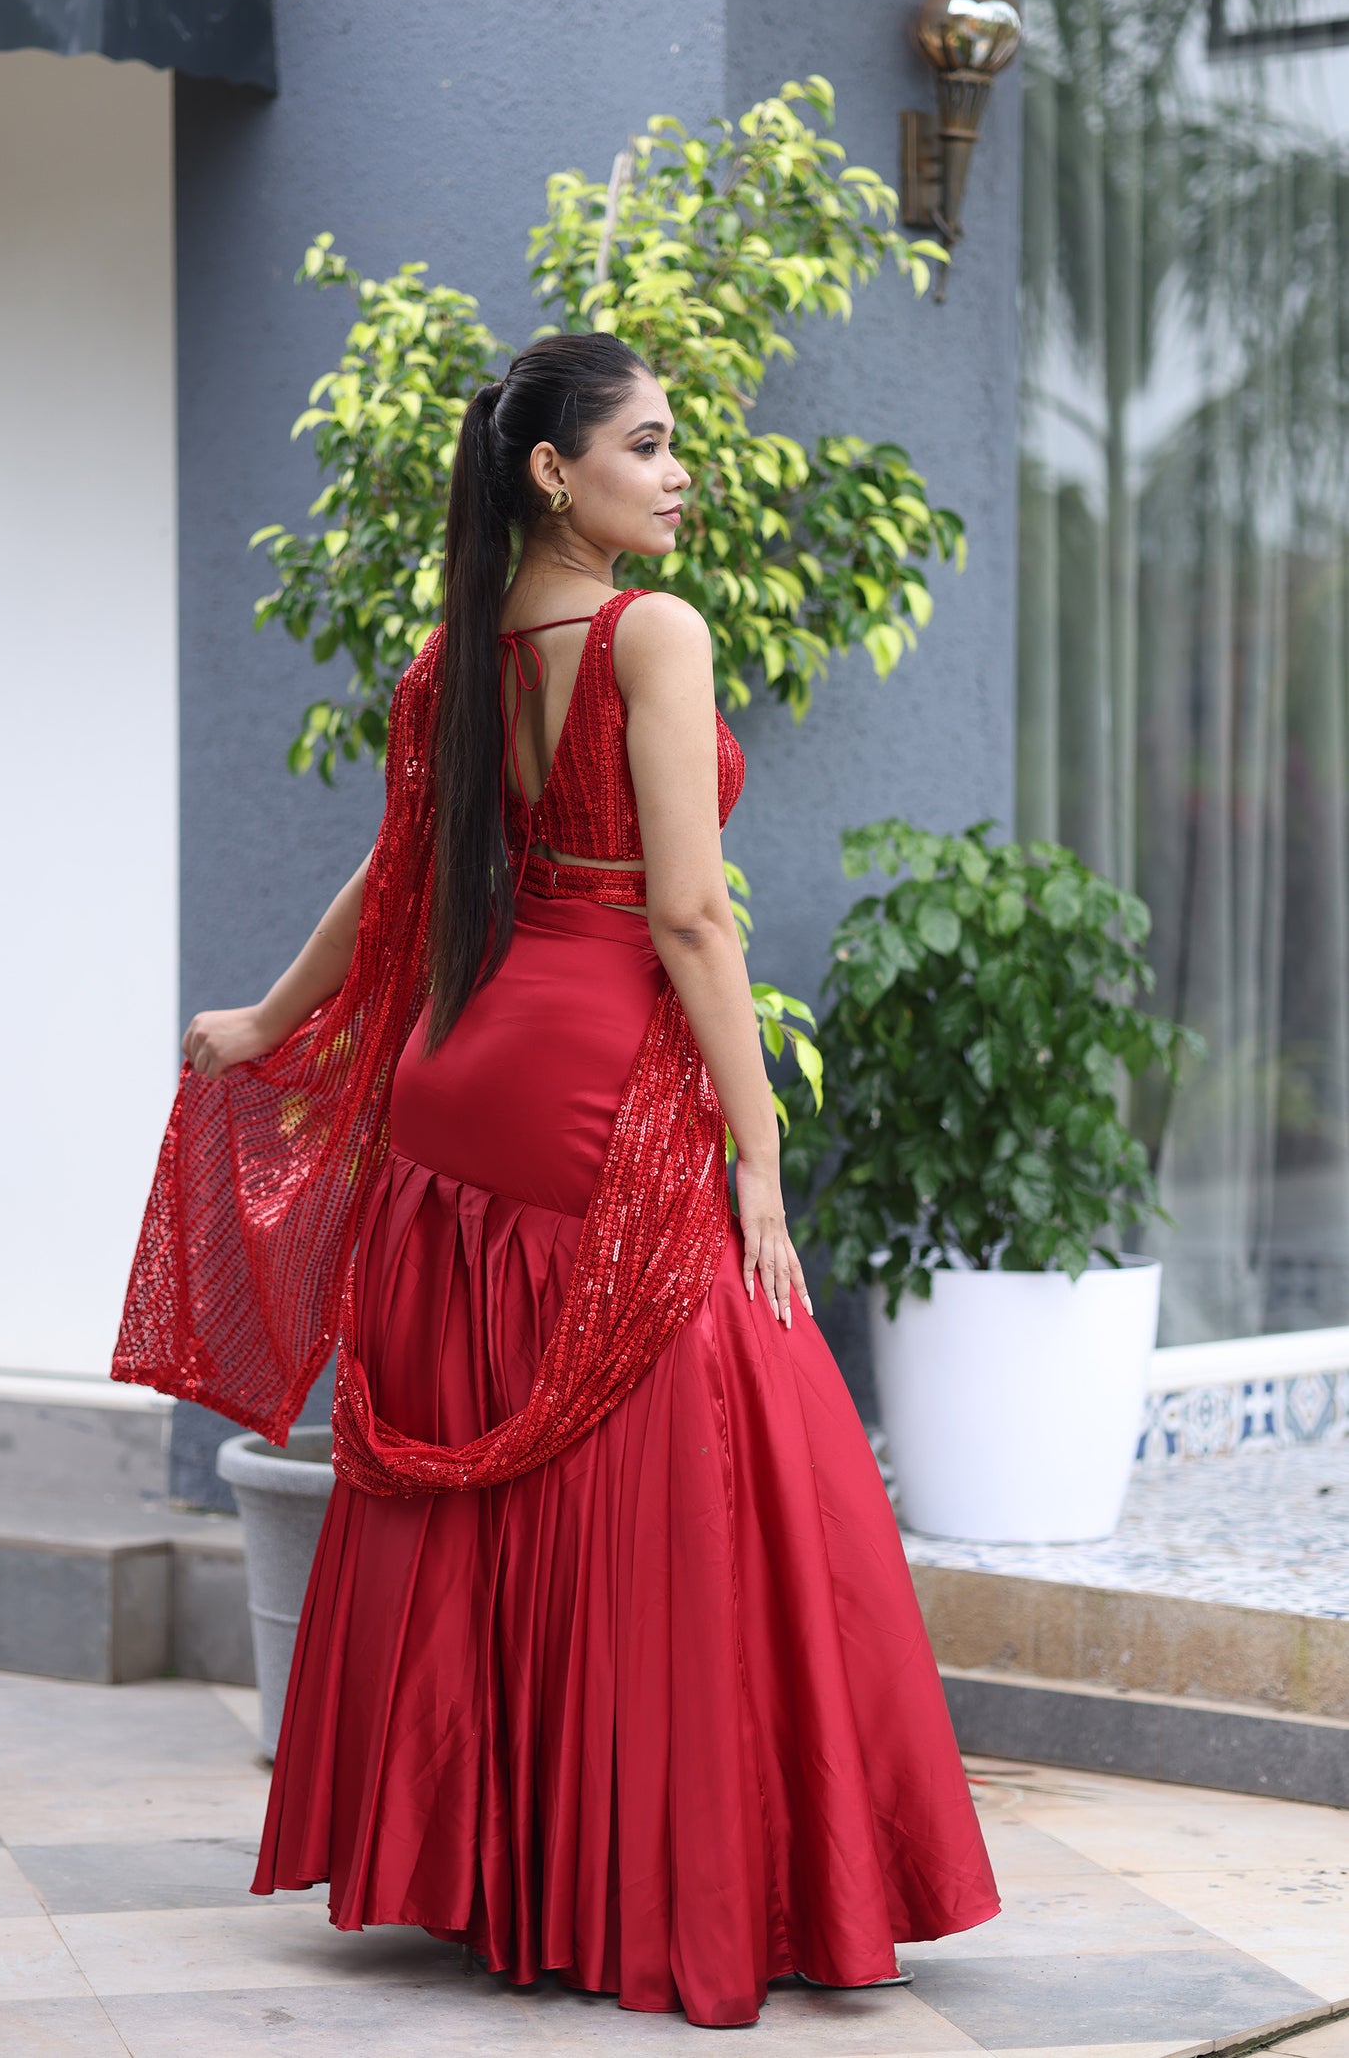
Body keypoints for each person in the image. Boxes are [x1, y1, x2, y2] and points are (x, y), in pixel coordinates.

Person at [114, 331, 999, 2029]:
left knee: (511, 1488)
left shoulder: (455, 652)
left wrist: (261, 1019)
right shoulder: (649, 632)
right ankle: (667, 1885)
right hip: (601, 1090)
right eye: (650, 443)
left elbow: (395, 877)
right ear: (553, 469)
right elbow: (689, 914)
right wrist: (756, 1150)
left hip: (465, 1097)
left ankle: (498, 1874)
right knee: (713, 1464)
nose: (678, 472)